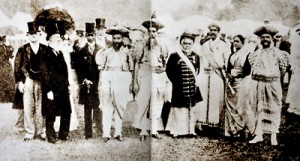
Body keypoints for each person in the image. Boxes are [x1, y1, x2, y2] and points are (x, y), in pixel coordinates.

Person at [246, 25, 289, 146]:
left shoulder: (279, 54)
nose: (265, 39)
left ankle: (273, 135)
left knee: (274, 108)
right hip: (258, 84)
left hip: (272, 84)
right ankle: (258, 134)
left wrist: (271, 78)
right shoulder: (256, 53)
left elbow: (282, 70)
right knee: (258, 109)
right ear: (260, 39)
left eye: (267, 37)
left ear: (272, 39)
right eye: (263, 37)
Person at [131, 13, 169, 141]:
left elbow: (165, 63)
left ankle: (154, 130)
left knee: (157, 102)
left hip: (158, 75)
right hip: (144, 73)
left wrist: (163, 69)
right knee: (143, 102)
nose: (152, 34)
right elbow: (136, 64)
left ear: (157, 33)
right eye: (150, 31)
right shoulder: (141, 45)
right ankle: (142, 130)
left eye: (154, 32)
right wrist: (135, 82)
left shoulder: (162, 45)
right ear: (146, 32)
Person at [96, 24, 134, 143]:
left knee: (120, 107)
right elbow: (102, 68)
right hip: (108, 78)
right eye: (115, 38)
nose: (116, 41)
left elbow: (131, 69)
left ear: (122, 39)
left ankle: (118, 132)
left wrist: (130, 83)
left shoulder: (127, 53)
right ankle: (106, 133)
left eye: (119, 38)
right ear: (111, 39)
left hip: (123, 78)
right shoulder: (105, 52)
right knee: (107, 107)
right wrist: (102, 83)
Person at [13, 22, 47, 141]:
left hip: (41, 81)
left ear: (39, 35)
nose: (34, 36)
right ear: (28, 35)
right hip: (27, 80)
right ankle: (29, 132)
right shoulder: (23, 49)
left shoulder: (45, 48)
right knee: (28, 107)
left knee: (41, 106)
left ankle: (41, 131)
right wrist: (20, 82)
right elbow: (17, 66)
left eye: (36, 33)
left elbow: (48, 67)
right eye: (31, 33)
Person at [165, 31, 202, 137]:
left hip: (191, 86)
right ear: (181, 43)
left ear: (192, 44)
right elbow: (169, 71)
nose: (186, 46)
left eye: (189, 44)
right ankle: (177, 131)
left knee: (192, 108)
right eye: (184, 43)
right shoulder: (174, 56)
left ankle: (191, 130)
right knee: (179, 109)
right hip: (179, 87)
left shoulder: (196, 56)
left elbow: (197, 70)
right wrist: (176, 82)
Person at [40, 21, 72, 144]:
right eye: (56, 38)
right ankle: (51, 137)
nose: (59, 40)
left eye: (59, 38)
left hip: (63, 88)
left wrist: (68, 85)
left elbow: (65, 72)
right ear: (49, 41)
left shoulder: (60, 53)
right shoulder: (45, 54)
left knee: (66, 112)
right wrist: (48, 90)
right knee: (51, 114)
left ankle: (64, 135)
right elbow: (44, 74)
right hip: (52, 90)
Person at [197, 23, 231, 133]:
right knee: (204, 99)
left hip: (217, 75)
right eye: (211, 30)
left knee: (216, 99)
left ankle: (215, 125)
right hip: (205, 75)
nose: (212, 32)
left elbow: (227, 61)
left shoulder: (224, 45)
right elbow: (201, 61)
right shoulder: (204, 45)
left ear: (218, 32)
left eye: (215, 30)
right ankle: (203, 124)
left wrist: (225, 71)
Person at [75, 23, 102, 139]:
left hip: (98, 82)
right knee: (87, 108)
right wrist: (84, 80)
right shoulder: (81, 51)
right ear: (85, 36)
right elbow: (78, 69)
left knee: (98, 107)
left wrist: (101, 81)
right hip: (87, 83)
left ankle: (100, 130)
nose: (90, 37)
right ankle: (88, 133)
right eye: (88, 35)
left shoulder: (101, 49)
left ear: (95, 35)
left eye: (91, 35)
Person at [223, 35, 253, 137]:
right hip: (232, 83)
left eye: (237, 41)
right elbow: (228, 69)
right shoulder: (232, 55)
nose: (235, 43)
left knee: (241, 105)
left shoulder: (247, 55)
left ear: (243, 43)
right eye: (234, 41)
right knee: (231, 105)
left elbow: (248, 71)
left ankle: (244, 129)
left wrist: (237, 74)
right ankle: (233, 129)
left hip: (242, 82)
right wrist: (229, 75)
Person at [286, 28, 300, 115]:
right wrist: (294, 65)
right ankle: (296, 106)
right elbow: (294, 56)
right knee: (297, 86)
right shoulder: (296, 44)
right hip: (299, 67)